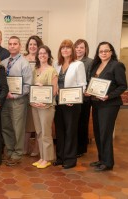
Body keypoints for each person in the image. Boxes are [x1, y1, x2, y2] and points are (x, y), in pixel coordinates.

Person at [87, 41, 127, 171]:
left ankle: (108, 162)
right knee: (98, 132)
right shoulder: (96, 65)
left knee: (105, 132)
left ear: (111, 52)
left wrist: (108, 96)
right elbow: (92, 83)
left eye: (106, 51)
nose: (103, 53)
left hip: (109, 104)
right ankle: (101, 159)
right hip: (97, 103)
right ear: (98, 53)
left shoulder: (117, 65)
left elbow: (122, 86)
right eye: (101, 51)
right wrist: (89, 91)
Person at [53, 39, 87, 169]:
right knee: (60, 131)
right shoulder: (56, 64)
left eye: (67, 48)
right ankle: (60, 157)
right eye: (63, 48)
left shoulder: (78, 64)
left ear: (72, 50)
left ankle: (70, 159)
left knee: (70, 131)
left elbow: (82, 84)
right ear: (60, 51)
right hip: (58, 103)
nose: (65, 50)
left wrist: (74, 99)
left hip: (72, 104)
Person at [1, 36, 32, 166]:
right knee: (6, 126)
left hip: (18, 101)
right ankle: (9, 150)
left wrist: (15, 95)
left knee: (18, 128)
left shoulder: (24, 63)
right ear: (8, 46)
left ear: (19, 46)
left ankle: (17, 154)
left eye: (15, 44)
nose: (12, 46)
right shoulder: (3, 63)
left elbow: (28, 85)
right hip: (5, 100)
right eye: (10, 44)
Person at [30, 45, 58, 169]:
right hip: (36, 105)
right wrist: (33, 102)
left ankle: (48, 158)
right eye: (40, 53)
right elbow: (31, 88)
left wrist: (44, 102)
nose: (42, 55)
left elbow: (55, 90)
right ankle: (42, 157)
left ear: (48, 55)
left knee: (46, 133)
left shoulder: (52, 70)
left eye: (45, 53)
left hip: (47, 106)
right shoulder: (35, 70)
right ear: (37, 56)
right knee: (39, 132)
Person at [24, 35, 44, 157]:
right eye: (30, 44)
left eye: (35, 44)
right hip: (25, 95)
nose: (32, 46)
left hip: (38, 95)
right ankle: (24, 147)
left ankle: (37, 148)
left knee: (38, 124)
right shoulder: (22, 58)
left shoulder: (42, 58)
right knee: (26, 124)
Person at [73, 39, 93, 158]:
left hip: (84, 98)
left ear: (86, 49)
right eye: (77, 47)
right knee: (74, 123)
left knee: (82, 123)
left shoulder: (90, 62)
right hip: (72, 97)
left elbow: (91, 79)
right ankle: (74, 147)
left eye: (82, 47)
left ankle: (81, 149)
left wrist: (87, 90)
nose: (79, 50)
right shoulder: (71, 61)